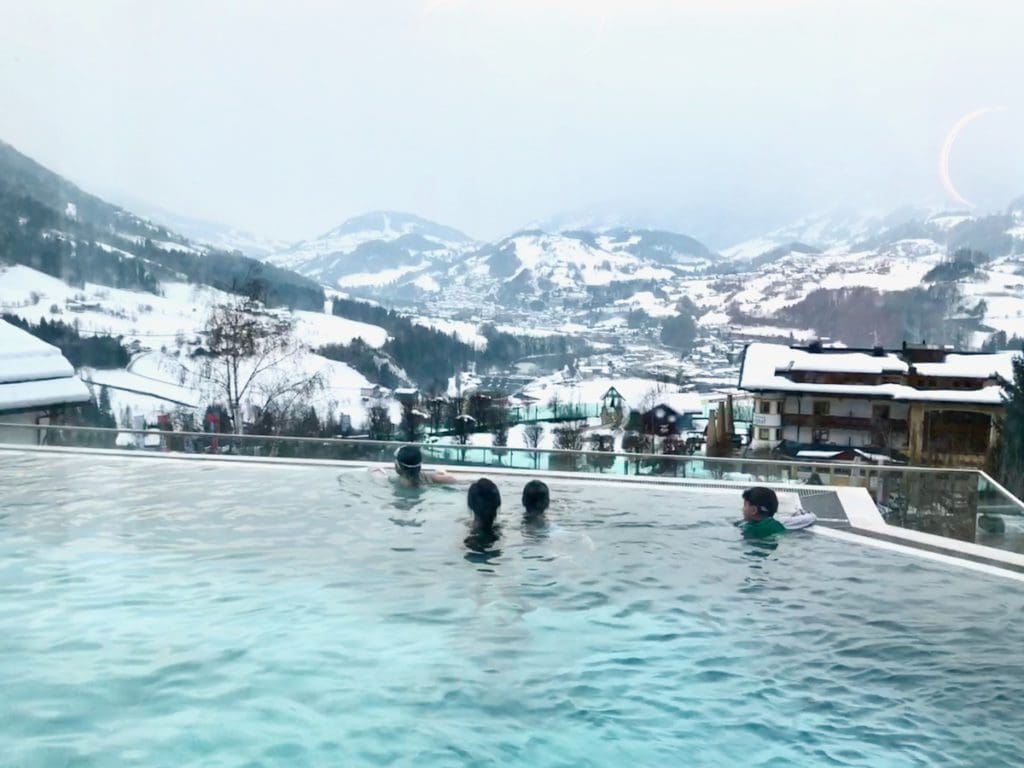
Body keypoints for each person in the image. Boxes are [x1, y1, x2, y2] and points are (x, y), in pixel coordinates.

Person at [391, 445, 456, 488]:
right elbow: (451, 479)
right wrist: (444, 473)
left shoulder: (392, 481)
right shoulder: (427, 478)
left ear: (398, 466)